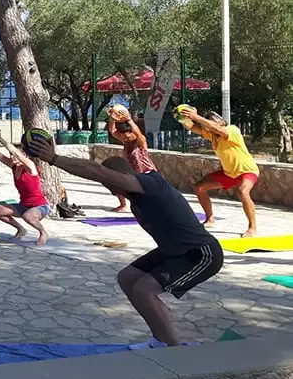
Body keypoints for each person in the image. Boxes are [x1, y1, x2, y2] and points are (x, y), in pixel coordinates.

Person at [25, 136, 223, 347]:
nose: (108, 188)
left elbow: (96, 171)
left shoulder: (148, 184)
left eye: (108, 183)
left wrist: (53, 158)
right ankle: (160, 339)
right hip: (173, 250)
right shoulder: (138, 194)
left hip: (199, 254)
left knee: (143, 290)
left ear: (119, 177)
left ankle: (173, 350)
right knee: (128, 278)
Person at [180, 107, 260, 237]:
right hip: (229, 173)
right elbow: (192, 127)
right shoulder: (213, 136)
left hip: (247, 171)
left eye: (211, 122)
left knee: (243, 191)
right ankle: (210, 219)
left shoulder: (232, 130)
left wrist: (197, 117)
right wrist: (183, 117)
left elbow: (218, 129)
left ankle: (252, 228)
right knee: (199, 188)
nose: (210, 126)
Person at [0, 126, 50, 246]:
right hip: (24, 206)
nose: (12, 157)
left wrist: (0, 138)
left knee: (28, 216)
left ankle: (43, 232)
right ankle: (21, 229)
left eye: (14, 155)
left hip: (40, 207)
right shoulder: (14, 167)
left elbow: (17, 154)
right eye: (11, 155)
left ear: (25, 156)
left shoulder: (31, 167)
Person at [108, 108, 157, 212]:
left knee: (146, 194)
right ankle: (123, 205)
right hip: (131, 172)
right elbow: (112, 131)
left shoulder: (140, 141)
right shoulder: (125, 141)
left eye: (127, 136)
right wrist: (112, 119)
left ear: (132, 133)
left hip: (146, 172)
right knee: (116, 183)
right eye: (122, 137)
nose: (125, 139)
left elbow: (138, 134)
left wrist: (129, 120)